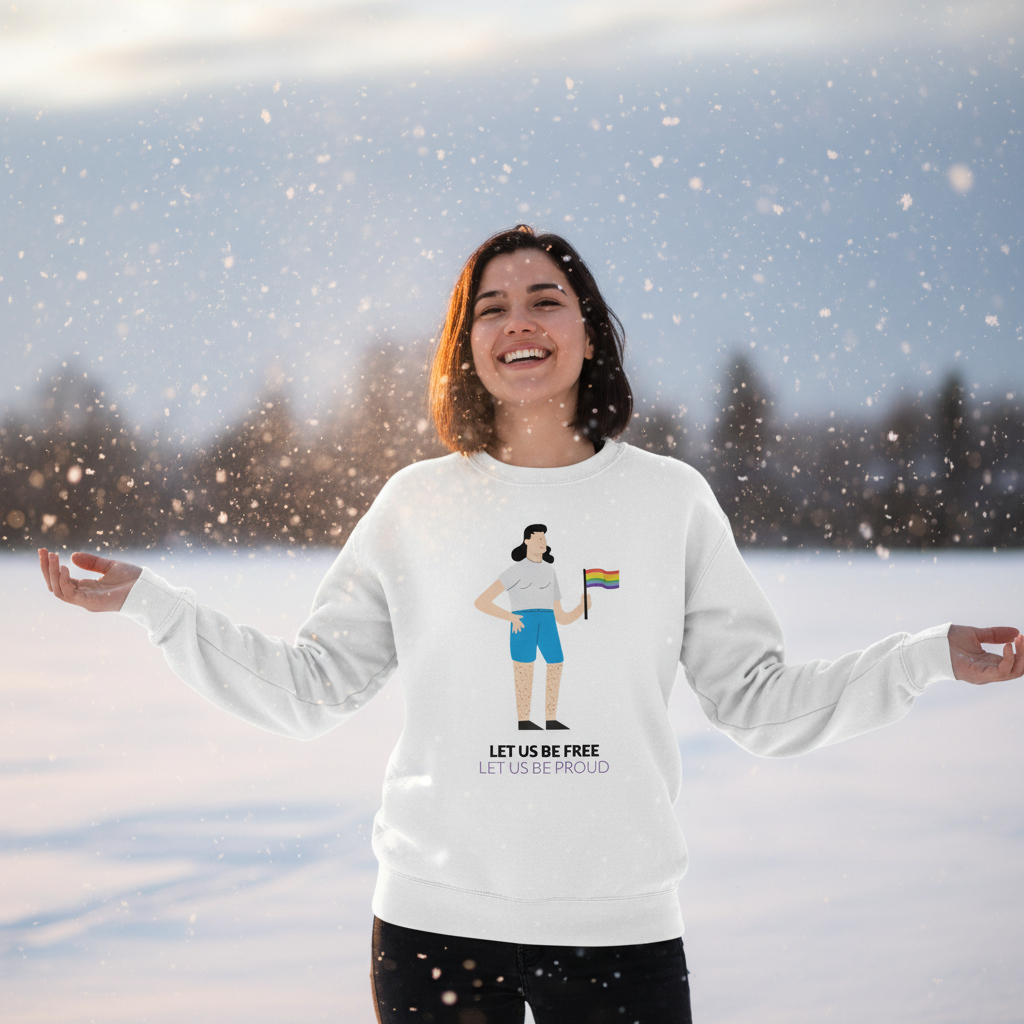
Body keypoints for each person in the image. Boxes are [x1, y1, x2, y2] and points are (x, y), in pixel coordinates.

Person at [38, 224, 1024, 1024]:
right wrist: (151, 604)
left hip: (619, 934)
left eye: (545, 299)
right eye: (491, 307)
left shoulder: (667, 500)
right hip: (434, 933)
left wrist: (923, 656)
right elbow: (309, 689)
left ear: (590, 333)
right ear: (465, 346)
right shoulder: (417, 503)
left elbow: (759, 703)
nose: (519, 322)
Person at [474, 523, 590, 731]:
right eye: (538, 538)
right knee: (523, 670)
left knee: (556, 664)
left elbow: (561, 617)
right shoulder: (514, 571)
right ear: (526, 540)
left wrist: (581, 607)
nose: (542, 542)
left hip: (548, 624)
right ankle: (524, 721)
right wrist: (511, 617)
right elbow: (481, 602)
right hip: (522, 624)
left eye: (544, 539)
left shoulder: (549, 572)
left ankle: (551, 719)